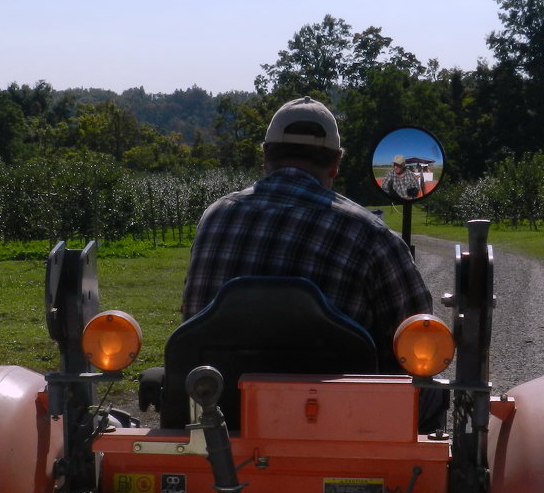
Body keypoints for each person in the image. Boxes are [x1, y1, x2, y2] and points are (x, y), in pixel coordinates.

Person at [182, 96, 434, 378]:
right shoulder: (371, 235)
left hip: (214, 410)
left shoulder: (215, 217)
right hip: (336, 417)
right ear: (336, 162)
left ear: (265, 155)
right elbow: (418, 337)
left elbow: (191, 319)